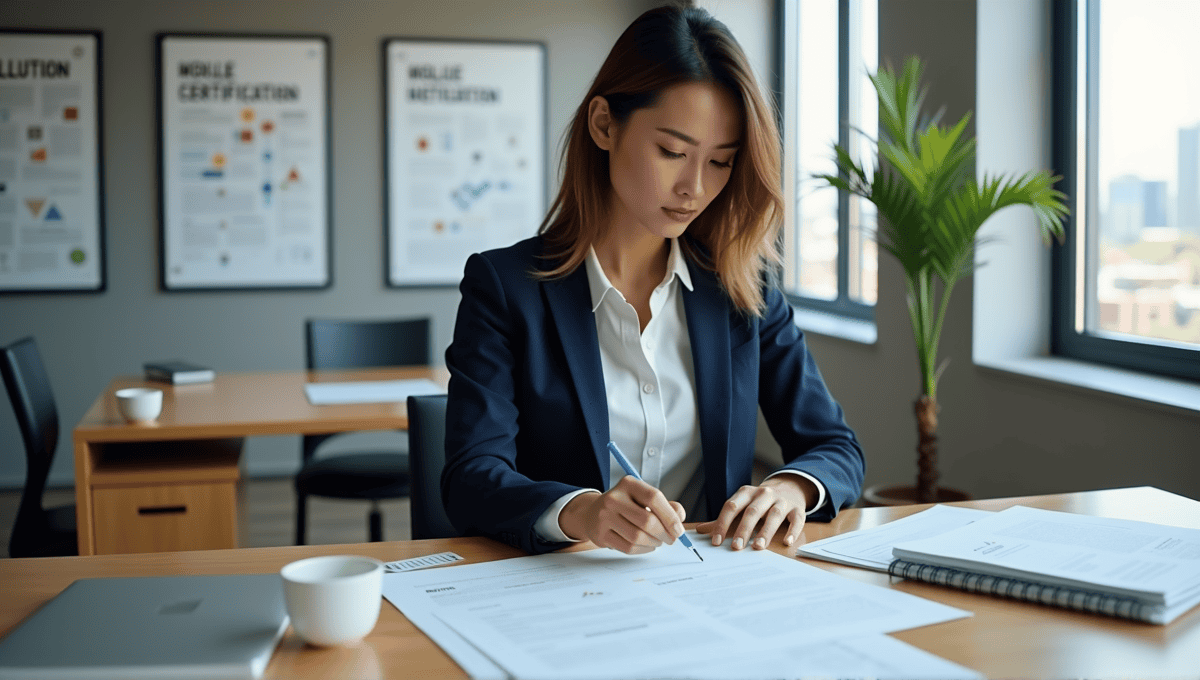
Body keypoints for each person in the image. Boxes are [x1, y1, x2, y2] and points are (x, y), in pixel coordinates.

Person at [442, 4, 864, 557]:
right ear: (603, 125)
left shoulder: (745, 290)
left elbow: (835, 447)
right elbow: (471, 476)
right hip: (564, 593)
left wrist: (793, 485)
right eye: (672, 152)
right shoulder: (504, 288)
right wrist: (582, 511)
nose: (695, 186)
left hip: (712, 588)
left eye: (720, 162)